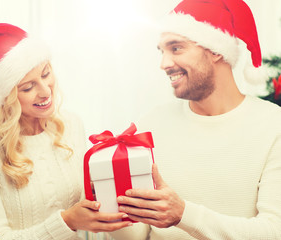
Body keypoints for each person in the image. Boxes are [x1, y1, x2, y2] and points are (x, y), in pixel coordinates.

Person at [109, 0, 281, 239]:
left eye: (176, 48)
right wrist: (112, 208)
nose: (164, 64)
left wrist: (183, 214)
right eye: (162, 51)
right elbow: (138, 234)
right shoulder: (152, 124)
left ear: (216, 50)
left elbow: (273, 231)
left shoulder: (273, 125)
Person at [0, 23, 131, 239]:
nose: (46, 91)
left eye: (46, 74)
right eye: (28, 87)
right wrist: (67, 222)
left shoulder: (71, 124)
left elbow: (87, 216)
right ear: (5, 97)